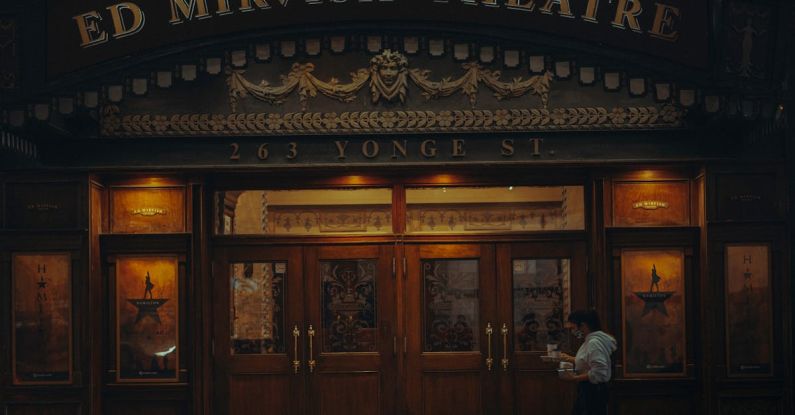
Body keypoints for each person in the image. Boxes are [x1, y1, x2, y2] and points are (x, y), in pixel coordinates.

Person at [559, 309, 617, 415]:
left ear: (583, 325)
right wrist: (569, 358)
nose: (572, 331)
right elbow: (588, 360)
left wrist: (574, 378)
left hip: (593, 392)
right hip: (589, 390)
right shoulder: (590, 340)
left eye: (573, 327)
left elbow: (599, 372)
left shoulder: (594, 342)